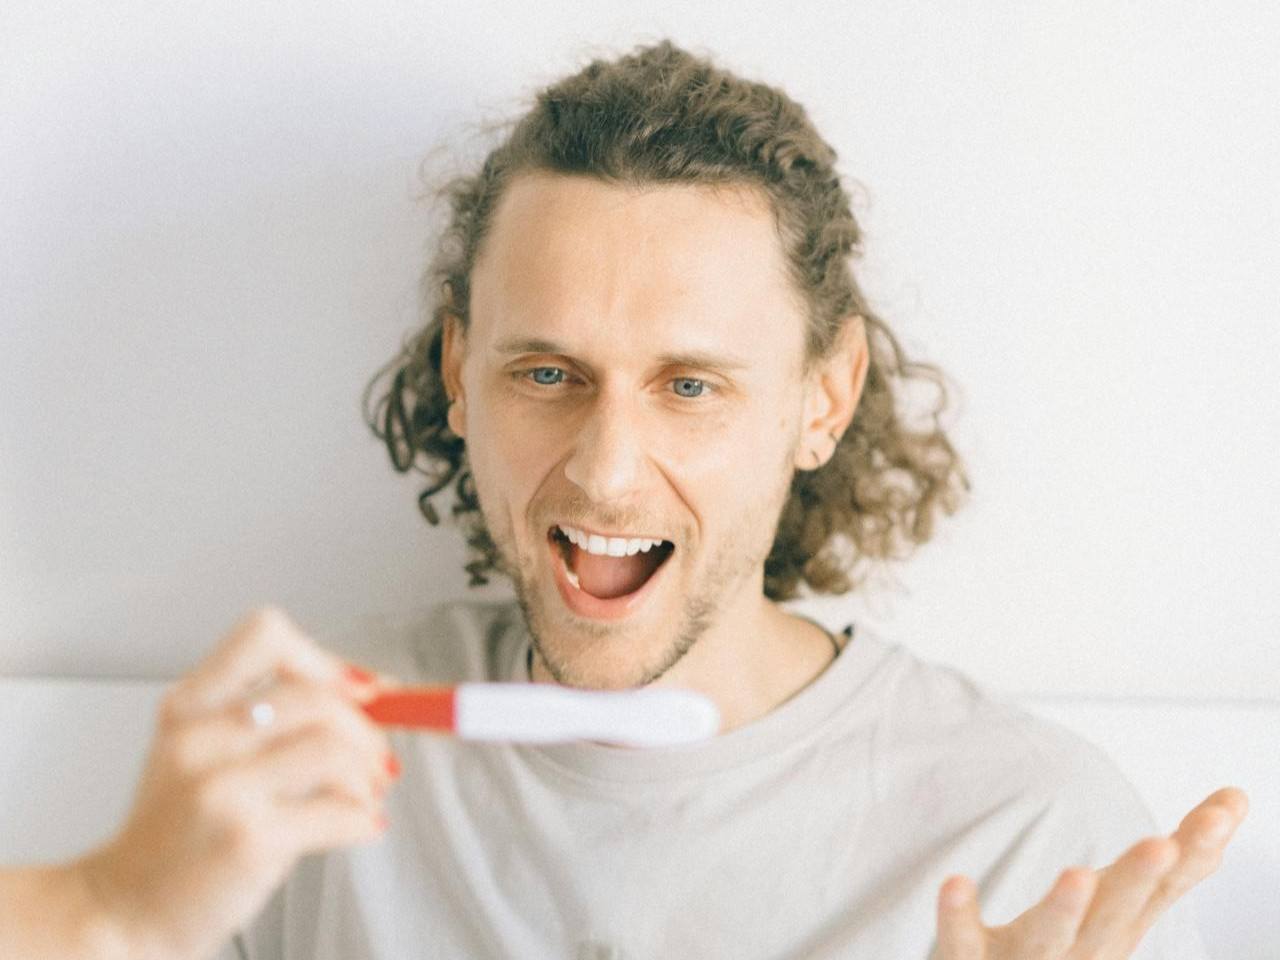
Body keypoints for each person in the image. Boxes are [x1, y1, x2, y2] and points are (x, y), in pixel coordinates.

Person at [0, 38, 1247, 960]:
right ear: (458, 373)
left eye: (689, 386)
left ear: (822, 398)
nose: (603, 470)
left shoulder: (1030, 836)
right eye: (546, 374)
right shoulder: (309, 759)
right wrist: (111, 912)